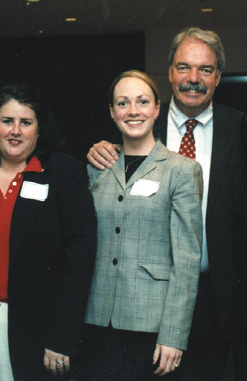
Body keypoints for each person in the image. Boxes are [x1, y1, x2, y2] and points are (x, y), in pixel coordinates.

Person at [87, 28, 246, 380]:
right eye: (184, 67)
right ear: (170, 73)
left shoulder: (240, 129)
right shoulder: (140, 124)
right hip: (144, 301)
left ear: (219, 77)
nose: (193, 79)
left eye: (205, 70)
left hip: (218, 296)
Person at [0, 84, 97, 380]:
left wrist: (62, 337)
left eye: (26, 122)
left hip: (37, 329)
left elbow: (80, 262)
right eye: (7, 121)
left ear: (40, 129)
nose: (15, 131)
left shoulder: (63, 173)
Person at [81, 70, 202, 380]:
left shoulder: (182, 170)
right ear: (111, 112)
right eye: (123, 103)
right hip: (96, 319)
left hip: (151, 326)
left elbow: (187, 261)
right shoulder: (97, 167)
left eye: (142, 101)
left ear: (157, 108)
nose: (133, 111)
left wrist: (173, 335)